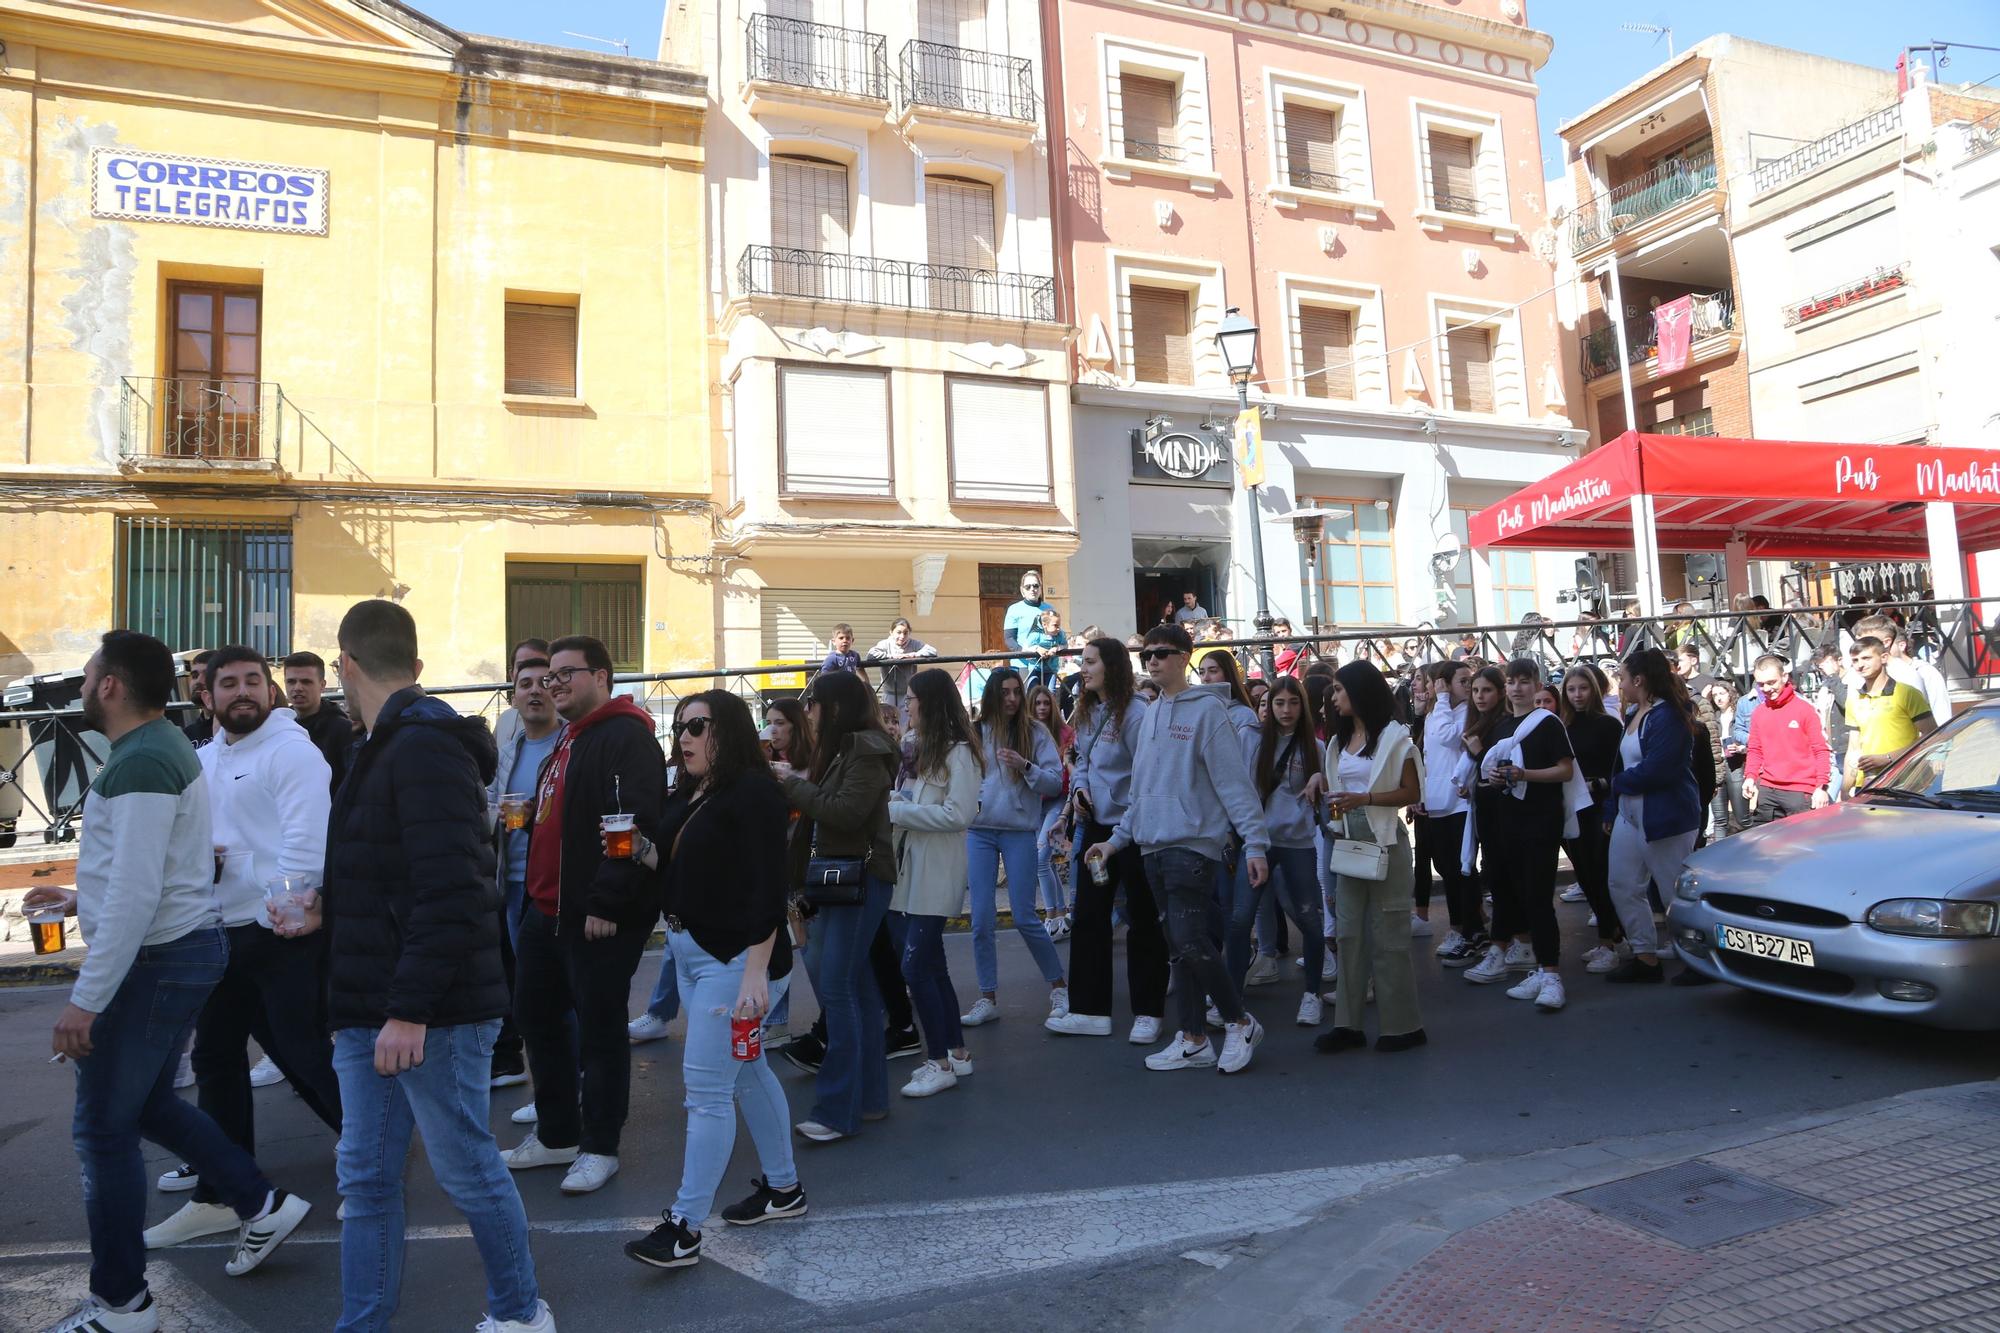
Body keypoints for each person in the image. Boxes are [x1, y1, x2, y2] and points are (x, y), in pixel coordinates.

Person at [32, 632, 315, 1333]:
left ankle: (122, 1303)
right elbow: (148, 868)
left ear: (109, 685)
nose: (84, 680)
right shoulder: (157, 749)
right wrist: (79, 898)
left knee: (102, 1129)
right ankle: (260, 1202)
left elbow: (134, 892)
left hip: (158, 959)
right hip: (177, 949)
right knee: (152, 1104)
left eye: (90, 670)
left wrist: (84, 1001)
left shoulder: (143, 761)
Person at [282, 600, 550, 1333]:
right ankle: (362, 1322)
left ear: (344, 665)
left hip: (433, 1008)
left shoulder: (421, 745)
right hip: (371, 1002)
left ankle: (521, 1313)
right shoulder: (382, 742)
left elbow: (454, 888)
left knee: (466, 1165)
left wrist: (409, 1010)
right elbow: (395, 873)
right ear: (415, 666)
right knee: (364, 1177)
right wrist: (326, 908)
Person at [146, 646, 343, 1252]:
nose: (242, 692)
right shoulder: (204, 759)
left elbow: (309, 850)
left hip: (277, 933)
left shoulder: (292, 751)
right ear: (205, 696)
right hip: (219, 929)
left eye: (253, 681)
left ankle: (373, 1155)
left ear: (271, 689)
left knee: (302, 1051)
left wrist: (275, 909)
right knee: (216, 1060)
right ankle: (223, 1192)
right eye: (227, 683)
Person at [622, 691, 806, 1270]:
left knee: (706, 1093)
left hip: (736, 962)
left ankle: (683, 1226)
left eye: (697, 726)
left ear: (725, 730)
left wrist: (755, 974)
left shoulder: (753, 793)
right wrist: (640, 850)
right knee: (748, 1074)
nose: (684, 736)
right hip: (695, 956)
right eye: (679, 727)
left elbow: (766, 889)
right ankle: (784, 1190)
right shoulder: (694, 791)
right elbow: (684, 865)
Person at [504, 636, 665, 1196]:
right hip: (544, 910)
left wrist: (606, 902)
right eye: (550, 676)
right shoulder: (568, 740)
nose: (555, 685)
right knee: (536, 1019)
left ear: (602, 676)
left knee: (599, 1032)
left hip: (593, 915)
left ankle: (600, 1146)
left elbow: (632, 825)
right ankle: (557, 1135)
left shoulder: (626, 737)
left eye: (566, 674)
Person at [1082, 623, 1268, 1075]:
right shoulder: (1150, 713)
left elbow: (1233, 783)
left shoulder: (1208, 712)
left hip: (1193, 846)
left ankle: (1239, 1021)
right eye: (1148, 653)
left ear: (1184, 656)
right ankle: (1193, 1038)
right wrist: (1114, 841)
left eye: (1163, 652)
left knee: (1189, 939)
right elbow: (1141, 789)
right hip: (1150, 845)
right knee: (1179, 947)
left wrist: (1256, 844)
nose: (1153, 660)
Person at [774, 670, 898, 1143]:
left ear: (836, 708)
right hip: (846, 878)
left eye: (813, 703)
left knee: (839, 989)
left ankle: (837, 1110)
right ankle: (868, 1100)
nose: (807, 712)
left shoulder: (866, 748)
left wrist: (790, 783)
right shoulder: (851, 747)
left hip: (859, 878)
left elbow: (844, 811)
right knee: (857, 991)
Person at [1046, 637, 1166, 1042]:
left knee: (1142, 919)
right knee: (1089, 915)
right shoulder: (1086, 710)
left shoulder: (1136, 713)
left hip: (1132, 831)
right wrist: (1079, 791)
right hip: (1095, 828)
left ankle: (1149, 1012)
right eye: (1083, 661)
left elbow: (1145, 778)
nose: (1084, 667)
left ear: (1111, 666)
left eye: (1091, 661)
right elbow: (1081, 760)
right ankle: (1089, 1010)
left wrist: (1123, 829)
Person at [1316, 660, 1427, 1052]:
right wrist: (1335, 808)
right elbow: (1337, 795)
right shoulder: (1337, 742)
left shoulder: (1397, 738)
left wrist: (1364, 799)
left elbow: (1412, 794)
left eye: (1340, 689)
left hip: (1387, 841)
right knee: (1348, 934)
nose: (1333, 696)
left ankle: (1403, 1026)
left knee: (1389, 935)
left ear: (1360, 692)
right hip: (1347, 840)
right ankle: (1347, 1025)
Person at [886, 669, 982, 1097]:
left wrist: (897, 812)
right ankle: (957, 1053)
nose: (906, 706)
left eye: (911, 699)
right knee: (934, 965)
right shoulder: (926, 751)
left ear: (930, 703)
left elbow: (957, 815)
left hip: (936, 873)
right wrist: (899, 801)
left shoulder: (959, 754)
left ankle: (937, 1060)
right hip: (913, 871)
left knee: (914, 967)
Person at [1462, 659, 1577, 1013]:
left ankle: (1552, 974)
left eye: (1524, 682)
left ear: (1536, 684)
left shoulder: (1548, 723)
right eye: (1511, 682)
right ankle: (1539, 968)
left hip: (1541, 821)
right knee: (1519, 895)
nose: (1516, 689)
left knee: (1540, 897)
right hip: (1507, 822)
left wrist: (1524, 774)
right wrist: (1495, 779)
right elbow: (1491, 774)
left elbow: (1564, 770)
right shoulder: (1502, 727)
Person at [960, 667, 1071, 1026]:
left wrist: (1026, 766)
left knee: (1024, 916)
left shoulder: (1035, 731)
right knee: (980, 919)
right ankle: (987, 996)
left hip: (1019, 830)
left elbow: (1055, 783)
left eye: (1015, 692)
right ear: (992, 694)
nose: (1011, 698)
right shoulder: (975, 732)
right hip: (979, 831)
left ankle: (1058, 987)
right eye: (1004, 692)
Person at [1231, 677, 1329, 1027]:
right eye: (1278, 703)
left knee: (1309, 919)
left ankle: (1312, 993)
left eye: (1293, 703)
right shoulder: (1251, 739)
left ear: (1302, 706)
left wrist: (1322, 782)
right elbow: (1239, 790)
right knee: (1241, 919)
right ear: (1268, 706)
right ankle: (1231, 1001)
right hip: (1257, 842)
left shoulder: (1315, 747)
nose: (1286, 710)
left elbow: (1326, 797)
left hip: (1298, 843)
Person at [1602, 648, 1703, 985]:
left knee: (1674, 890)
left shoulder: (1668, 716)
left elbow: (1660, 769)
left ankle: (1698, 960)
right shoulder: (1634, 711)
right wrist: (1612, 804)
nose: (1620, 683)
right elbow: (1623, 762)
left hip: (1665, 816)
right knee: (1622, 883)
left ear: (1639, 680)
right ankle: (1645, 957)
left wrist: (1617, 784)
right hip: (1631, 815)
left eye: (1623, 677)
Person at [489, 658, 560, 1090]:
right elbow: (491, 802)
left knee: (548, 993)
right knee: (526, 990)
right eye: (525, 684)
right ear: (514, 696)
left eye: (544, 683)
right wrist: (492, 814)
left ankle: (561, 1089)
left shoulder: (568, 744)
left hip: (549, 887)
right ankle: (545, 1085)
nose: (535, 691)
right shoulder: (510, 747)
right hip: (511, 882)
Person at [1557, 665, 1626, 975]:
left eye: (1582, 688)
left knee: (1601, 875)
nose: (1577, 695)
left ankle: (1612, 941)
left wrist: (1596, 786)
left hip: (1599, 809)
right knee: (1584, 876)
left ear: (1593, 690)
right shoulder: (1562, 726)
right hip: (1572, 809)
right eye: (1571, 690)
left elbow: (1617, 772)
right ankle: (1608, 938)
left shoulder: (1608, 725)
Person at [1421, 661, 1485, 966]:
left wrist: (1445, 700)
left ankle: (1474, 931)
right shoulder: (1437, 711)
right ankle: (1459, 927)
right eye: (1462, 681)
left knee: (1463, 870)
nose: (1468, 686)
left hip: (1459, 801)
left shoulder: (1465, 713)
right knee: (1446, 868)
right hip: (1437, 802)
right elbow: (1429, 754)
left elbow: (1449, 738)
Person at [1742, 654, 1831, 823]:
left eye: (1771, 682)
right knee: (1763, 847)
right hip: (1768, 791)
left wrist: (1821, 786)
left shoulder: (1805, 709)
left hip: (1800, 791)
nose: (1767, 688)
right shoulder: (1759, 713)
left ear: (1784, 677)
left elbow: (1821, 750)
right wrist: (1750, 777)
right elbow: (1755, 749)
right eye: (1761, 684)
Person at [1843, 635, 1935, 791]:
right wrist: (1845, 789)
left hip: (1906, 782)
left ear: (1884, 657)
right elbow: (1853, 749)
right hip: (1868, 783)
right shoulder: (1855, 699)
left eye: (1866, 658)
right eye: (1855, 660)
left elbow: (1932, 736)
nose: (1860, 665)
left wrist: (1888, 758)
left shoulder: (1907, 693)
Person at [1026, 683, 1074, 939]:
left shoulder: (1065, 733)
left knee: (1041, 858)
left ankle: (1052, 916)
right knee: (1045, 861)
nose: (1042, 708)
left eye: (1046, 703)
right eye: (1037, 704)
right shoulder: (1025, 733)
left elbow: (1069, 773)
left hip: (1058, 799)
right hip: (1035, 801)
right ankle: (1060, 913)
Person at [282, 651, 352, 793]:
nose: (297, 688)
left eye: (306, 681)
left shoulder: (342, 730)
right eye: (291, 681)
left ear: (322, 685)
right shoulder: (280, 727)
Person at [864, 618, 938, 723]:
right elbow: (871, 655)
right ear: (891, 632)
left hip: (909, 694)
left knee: (907, 724)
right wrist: (892, 657)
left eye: (905, 633)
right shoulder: (885, 643)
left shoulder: (914, 643)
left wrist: (914, 655)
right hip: (890, 693)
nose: (902, 636)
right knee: (889, 724)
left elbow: (932, 651)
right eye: (898, 632)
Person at [1003, 570, 1052, 672]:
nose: (1032, 589)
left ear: (1040, 588)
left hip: (1047, 664)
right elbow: (1009, 639)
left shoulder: (1049, 609)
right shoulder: (1014, 609)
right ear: (1022, 591)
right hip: (1022, 665)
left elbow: (1055, 633)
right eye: (1028, 587)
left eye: (1035, 586)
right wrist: (1025, 652)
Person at [180, 648, 218, 746]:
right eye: (194, 676)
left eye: (207, 675)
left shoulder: (235, 733)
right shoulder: (186, 735)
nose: (198, 681)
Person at [1023, 606, 1066, 691]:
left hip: (1051, 669)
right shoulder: (1036, 635)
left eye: (1059, 625)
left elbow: (1065, 645)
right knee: (1033, 690)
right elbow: (1025, 648)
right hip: (1035, 668)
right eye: (1055, 625)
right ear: (1045, 625)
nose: (1058, 628)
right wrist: (1037, 648)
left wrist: (1057, 648)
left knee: (1050, 691)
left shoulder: (1059, 635)